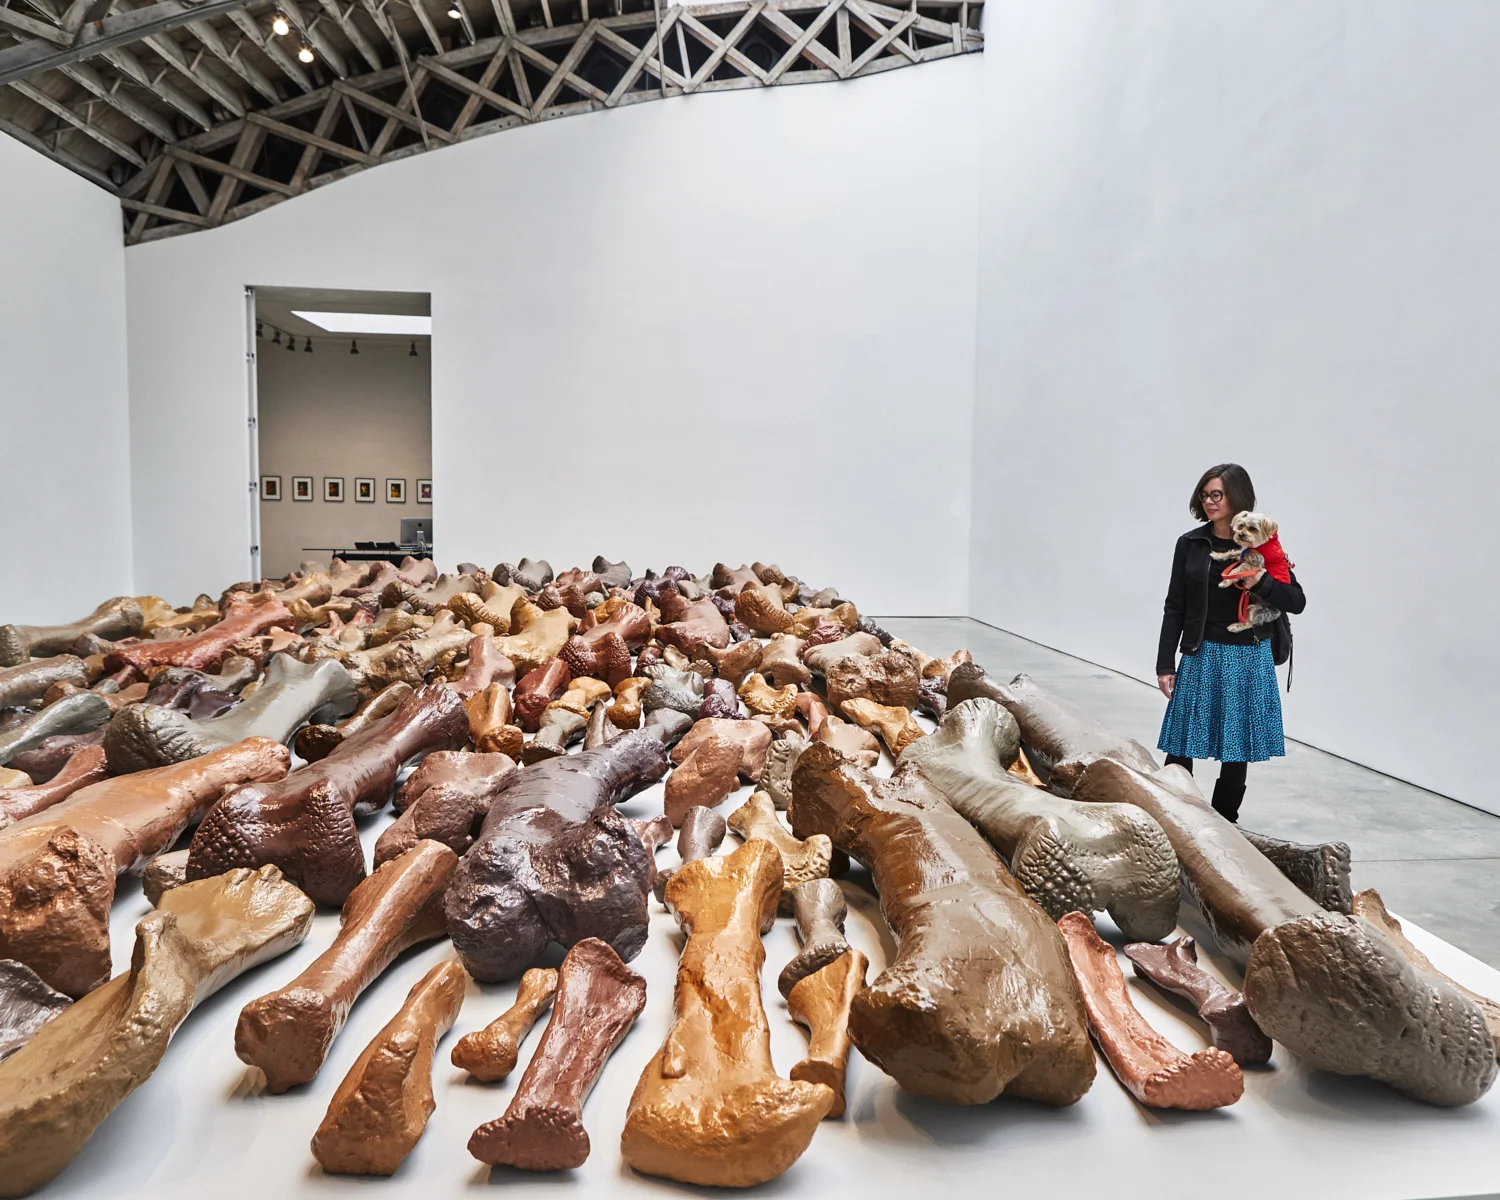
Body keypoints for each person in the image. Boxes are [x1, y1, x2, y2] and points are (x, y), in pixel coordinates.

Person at [1156, 463, 1305, 822]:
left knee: (1236, 748)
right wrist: (1164, 663)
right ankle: (1172, 815)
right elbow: (1175, 604)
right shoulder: (1191, 543)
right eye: (1204, 495)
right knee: (1181, 740)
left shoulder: (1264, 545)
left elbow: (1296, 601)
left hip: (1247, 655)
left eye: (1217, 495)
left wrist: (1262, 583)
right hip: (1201, 651)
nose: (1208, 502)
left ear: (1236, 497)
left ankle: (1224, 823)